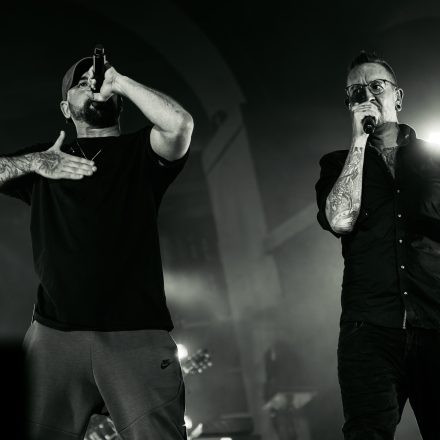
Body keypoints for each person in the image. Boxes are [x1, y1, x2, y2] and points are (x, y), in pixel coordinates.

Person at [0, 53, 193, 440]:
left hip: (136, 335)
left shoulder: (142, 152)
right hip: (54, 337)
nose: (93, 84)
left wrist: (118, 81)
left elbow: (179, 125)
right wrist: (33, 162)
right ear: (64, 108)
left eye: (99, 80)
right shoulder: (46, 159)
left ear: (119, 100)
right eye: (81, 83)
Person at [315, 50, 440, 439]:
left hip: (435, 322)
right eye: (356, 91)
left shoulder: (435, 160)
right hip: (369, 330)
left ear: (397, 97)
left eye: (376, 86)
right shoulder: (337, 164)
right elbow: (339, 220)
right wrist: (359, 140)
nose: (366, 94)